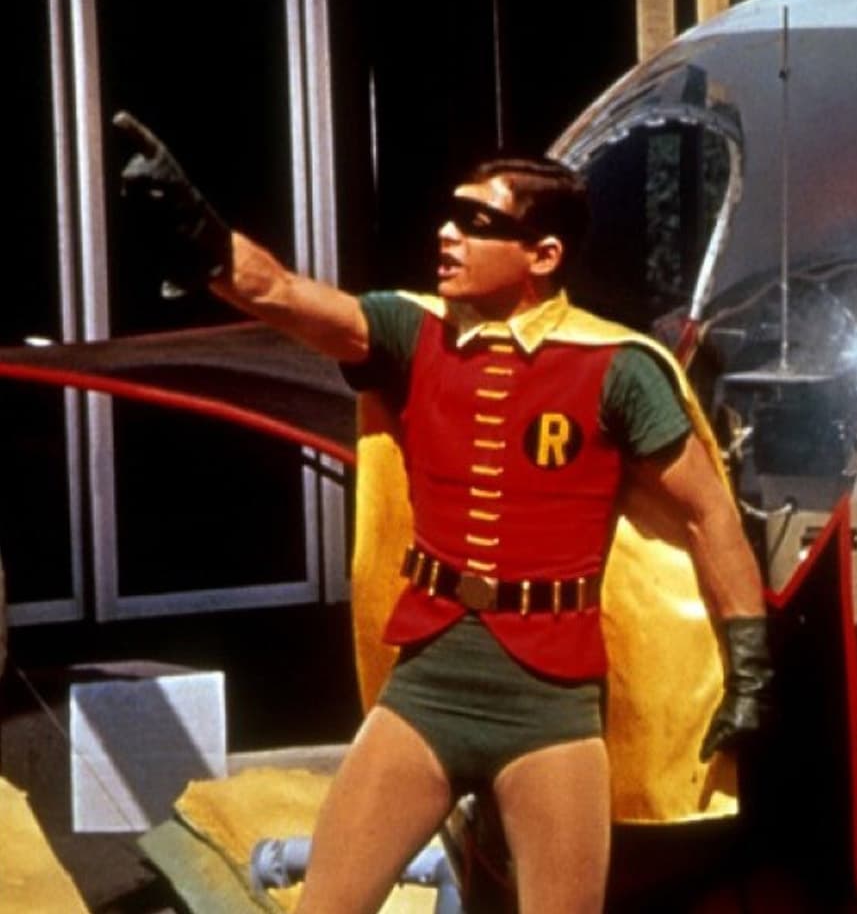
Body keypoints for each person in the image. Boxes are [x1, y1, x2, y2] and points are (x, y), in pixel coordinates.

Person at [114, 114, 772, 914]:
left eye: (478, 222)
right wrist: (202, 231)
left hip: (553, 703)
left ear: (543, 255)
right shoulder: (409, 330)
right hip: (427, 687)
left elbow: (708, 516)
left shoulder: (618, 367)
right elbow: (278, 292)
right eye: (451, 215)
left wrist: (749, 662)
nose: (448, 233)